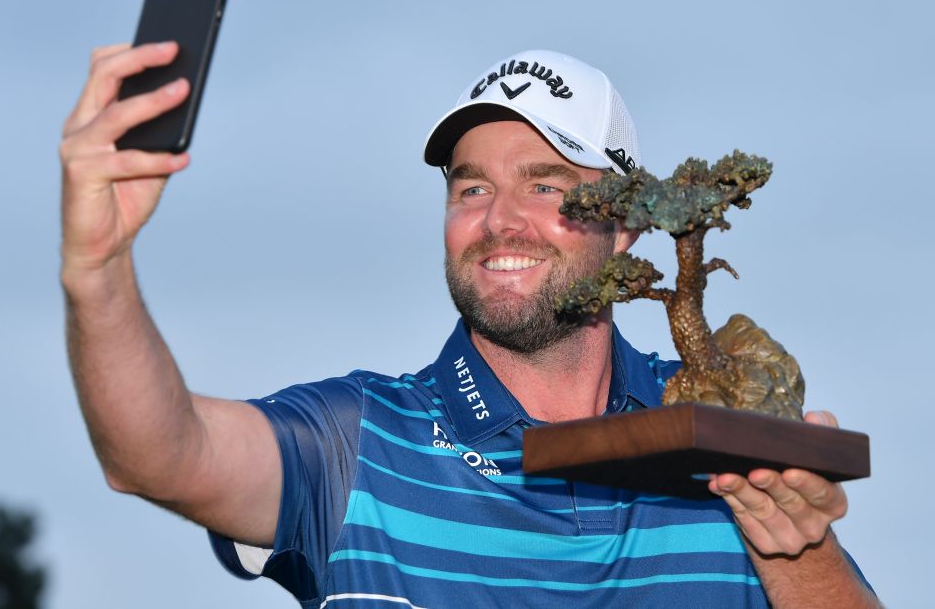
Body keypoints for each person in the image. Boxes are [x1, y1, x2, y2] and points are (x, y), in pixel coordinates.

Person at [60, 45, 878, 608]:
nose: (500, 221)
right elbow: (157, 455)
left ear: (629, 226)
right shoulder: (356, 442)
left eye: (548, 186)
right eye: (472, 188)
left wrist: (795, 546)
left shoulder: (722, 432)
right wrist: (96, 273)